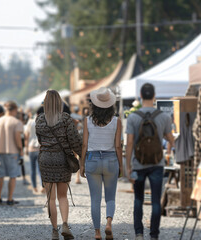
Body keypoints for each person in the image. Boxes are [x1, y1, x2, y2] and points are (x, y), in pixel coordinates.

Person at [126, 83, 174, 240]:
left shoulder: (133, 117)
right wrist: (168, 145)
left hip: (138, 164)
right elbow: (171, 139)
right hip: (157, 163)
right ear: (154, 96)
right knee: (155, 201)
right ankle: (154, 235)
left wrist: (128, 166)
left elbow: (130, 143)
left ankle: (139, 233)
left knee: (138, 199)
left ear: (141, 95)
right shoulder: (164, 116)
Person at [35, 90, 83, 240]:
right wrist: (83, 153)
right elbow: (74, 140)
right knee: (63, 196)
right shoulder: (66, 119)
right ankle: (65, 224)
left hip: (46, 159)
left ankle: (54, 231)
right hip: (62, 159)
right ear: (60, 102)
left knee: (50, 198)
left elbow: (40, 140)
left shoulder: (40, 120)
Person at [79, 87, 122, 240]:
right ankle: (108, 223)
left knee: (95, 199)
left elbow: (84, 144)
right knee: (110, 197)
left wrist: (82, 164)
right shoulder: (117, 121)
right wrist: (121, 166)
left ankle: (97, 232)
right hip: (111, 160)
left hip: (92, 159)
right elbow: (118, 146)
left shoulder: (87, 121)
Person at [0, 101, 23, 206]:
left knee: (0, 175)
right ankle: (10, 198)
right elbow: (17, 138)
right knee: (12, 176)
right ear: (14, 110)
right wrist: (21, 150)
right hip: (12, 151)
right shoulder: (16, 122)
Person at [24, 109, 42, 193]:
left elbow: (26, 136)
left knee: (32, 169)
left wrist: (26, 148)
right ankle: (42, 187)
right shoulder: (42, 122)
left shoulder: (30, 122)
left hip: (31, 147)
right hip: (39, 147)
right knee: (40, 169)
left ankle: (34, 187)